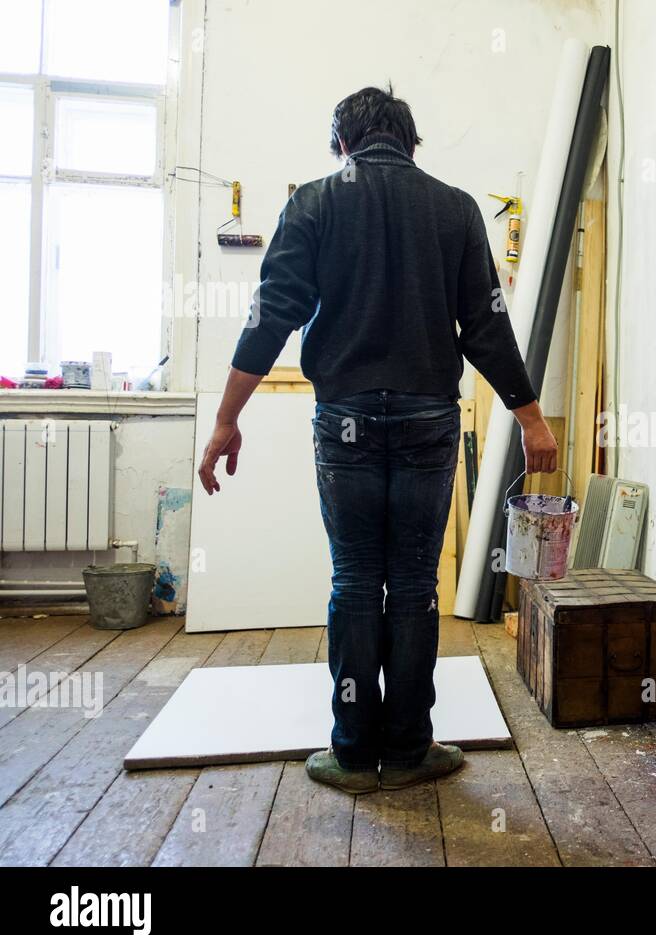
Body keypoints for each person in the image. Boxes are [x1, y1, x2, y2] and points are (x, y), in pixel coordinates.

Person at [196, 86, 557, 795]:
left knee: (357, 581)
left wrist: (226, 418)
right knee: (417, 585)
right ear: (411, 142)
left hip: (345, 421)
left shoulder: (314, 204)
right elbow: (485, 325)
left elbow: (272, 315)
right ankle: (412, 747)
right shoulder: (454, 208)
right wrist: (532, 418)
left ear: (342, 144)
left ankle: (356, 753)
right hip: (427, 418)